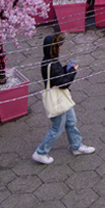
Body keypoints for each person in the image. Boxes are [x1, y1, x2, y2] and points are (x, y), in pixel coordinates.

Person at [32, 32, 95, 164]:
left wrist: (66, 68)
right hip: (58, 101)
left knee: (71, 122)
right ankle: (40, 152)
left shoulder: (49, 61)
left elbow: (57, 76)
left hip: (62, 100)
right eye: (58, 46)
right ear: (53, 48)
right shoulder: (52, 64)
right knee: (57, 128)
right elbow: (63, 83)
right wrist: (72, 71)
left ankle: (76, 146)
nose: (60, 48)